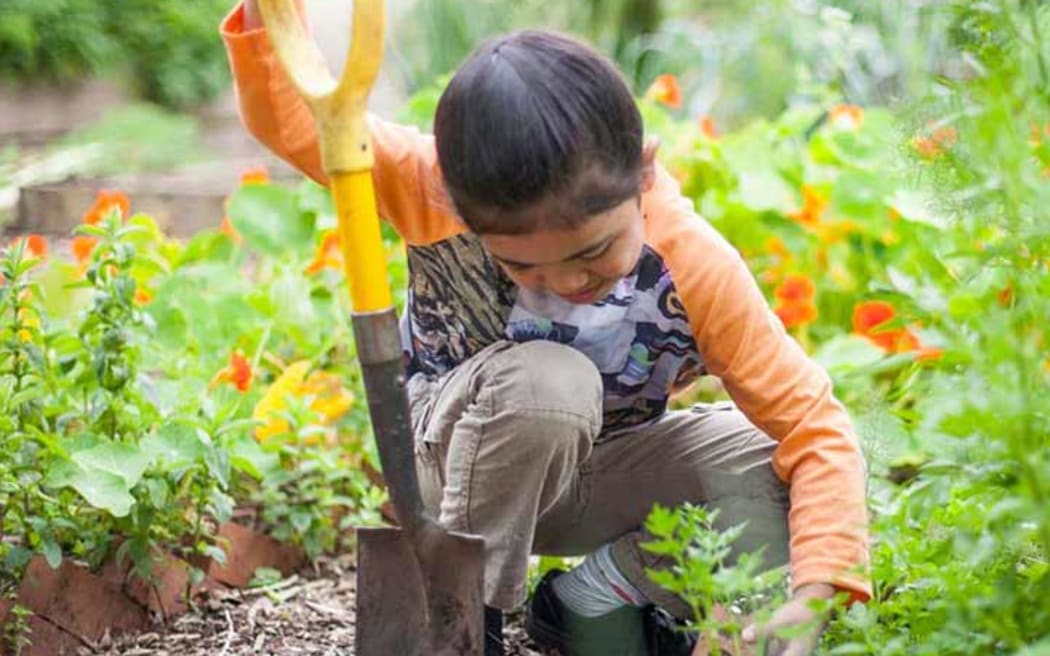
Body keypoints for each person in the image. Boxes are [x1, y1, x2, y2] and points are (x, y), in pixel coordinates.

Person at [220, 2, 871, 654]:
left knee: (773, 472)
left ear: (643, 172)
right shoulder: (427, 184)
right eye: (519, 264)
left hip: (598, 469)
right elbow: (299, 125)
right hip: (451, 469)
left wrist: (813, 599)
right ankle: (464, 619)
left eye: (591, 253)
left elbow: (813, 427)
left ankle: (591, 597)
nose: (564, 282)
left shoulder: (693, 264)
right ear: (449, 192)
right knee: (549, 384)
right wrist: (268, 17)